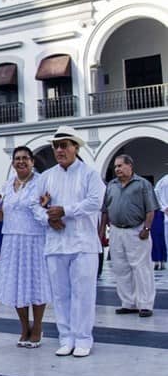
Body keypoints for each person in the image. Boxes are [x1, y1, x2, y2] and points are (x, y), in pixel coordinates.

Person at [33, 126, 105, 358]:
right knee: (60, 294)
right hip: (56, 244)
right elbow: (34, 205)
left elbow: (95, 202)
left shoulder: (89, 174)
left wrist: (65, 211)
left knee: (83, 293)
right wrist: (48, 219)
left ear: (76, 147)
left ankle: (83, 338)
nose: (60, 150)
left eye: (64, 145)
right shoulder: (46, 176)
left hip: (83, 244)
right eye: (56, 146)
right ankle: (66, 338)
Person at [0, 147, 50, 347]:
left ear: (32, 161)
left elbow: (47, 209)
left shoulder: (41, 182)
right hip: (11, 239)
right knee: (16, 284)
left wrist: (46, 207)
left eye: (25, 158)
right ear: (12, 163)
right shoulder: (8, 185)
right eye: (17, 158)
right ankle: (24, 326)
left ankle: (37, 327)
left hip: (34, 238)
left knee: (36, 282)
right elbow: (2, 215)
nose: (21, 162)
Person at [99, 155, 158, 318]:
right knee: (121, 268)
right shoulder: (111, 185)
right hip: (117, 231)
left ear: (130, 166)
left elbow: (150, 209)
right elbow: (105, 210)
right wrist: (102, 231)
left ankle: (145, 304)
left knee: (141, 268)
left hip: (137, 230)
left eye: (120, 165)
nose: (117, 169)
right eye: (115, 166)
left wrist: (146, 228)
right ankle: (128, 303)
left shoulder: (142, 184)